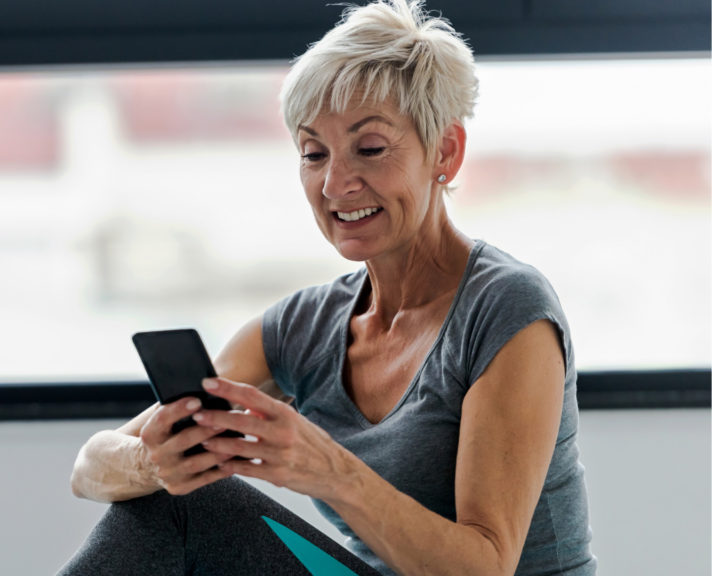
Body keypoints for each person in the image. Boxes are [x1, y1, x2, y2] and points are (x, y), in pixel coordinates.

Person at [59, 1, 597, 574]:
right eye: (314, 154)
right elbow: (90, 468)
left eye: (370, 149)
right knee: (174, 500)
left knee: (192, 509)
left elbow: (485, 566)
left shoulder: (507, 308)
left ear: (444, 152)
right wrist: (156, 464)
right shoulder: (304, 328)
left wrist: (329, 470)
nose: (335, 184)